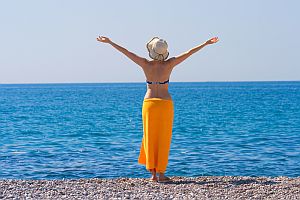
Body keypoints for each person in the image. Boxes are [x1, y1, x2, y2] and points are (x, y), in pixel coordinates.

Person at [96, 35, 219, 182]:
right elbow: (189, 53)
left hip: (149, 104)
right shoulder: (170, 64)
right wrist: (205, 43)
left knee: (149, 136)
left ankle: (153, 175)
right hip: (165, 103)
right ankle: (161, 173)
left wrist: (110, 42)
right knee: (163, 137)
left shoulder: (145, 64)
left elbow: (126, 52)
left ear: (151, 51)